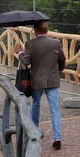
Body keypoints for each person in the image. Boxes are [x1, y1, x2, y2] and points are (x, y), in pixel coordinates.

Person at [15, 20, 66, 149]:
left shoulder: (30, 44)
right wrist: (60, 68)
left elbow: (26, 62)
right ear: (46, 30)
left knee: (36, 104)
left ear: (35, 30)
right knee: (54, 109)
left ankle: (35, 132)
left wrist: (20, 52)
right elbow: (62, 58)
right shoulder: (55, 43)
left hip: (37, 80)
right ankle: (57, 138)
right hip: (53, 79)